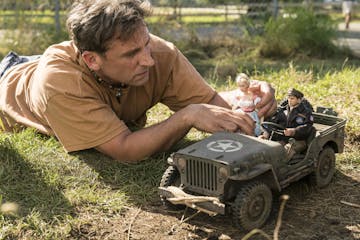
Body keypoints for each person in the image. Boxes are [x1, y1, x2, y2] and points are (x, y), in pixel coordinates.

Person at [0, 0, 276, 163]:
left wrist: (247, 98)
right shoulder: (60, 83)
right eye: (132, 54)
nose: (148, 60)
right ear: (92, 60)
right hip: (13, 77)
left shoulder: (158, 52)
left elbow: (209, 104)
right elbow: (124, 150)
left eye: (146, 44)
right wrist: (186, 117)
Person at [260, 88, 314, 160]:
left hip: (298, 140)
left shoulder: (306, 112)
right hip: (282, 138)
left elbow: (307, 127)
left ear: (299, 100)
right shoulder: (282, 110)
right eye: (288, 98)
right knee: (268, 149)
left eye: (292, 98)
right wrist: (266, 133)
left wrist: (294, 131)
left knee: (285, 152)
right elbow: (272, 122)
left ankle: (283, 169)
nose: (289, 100)